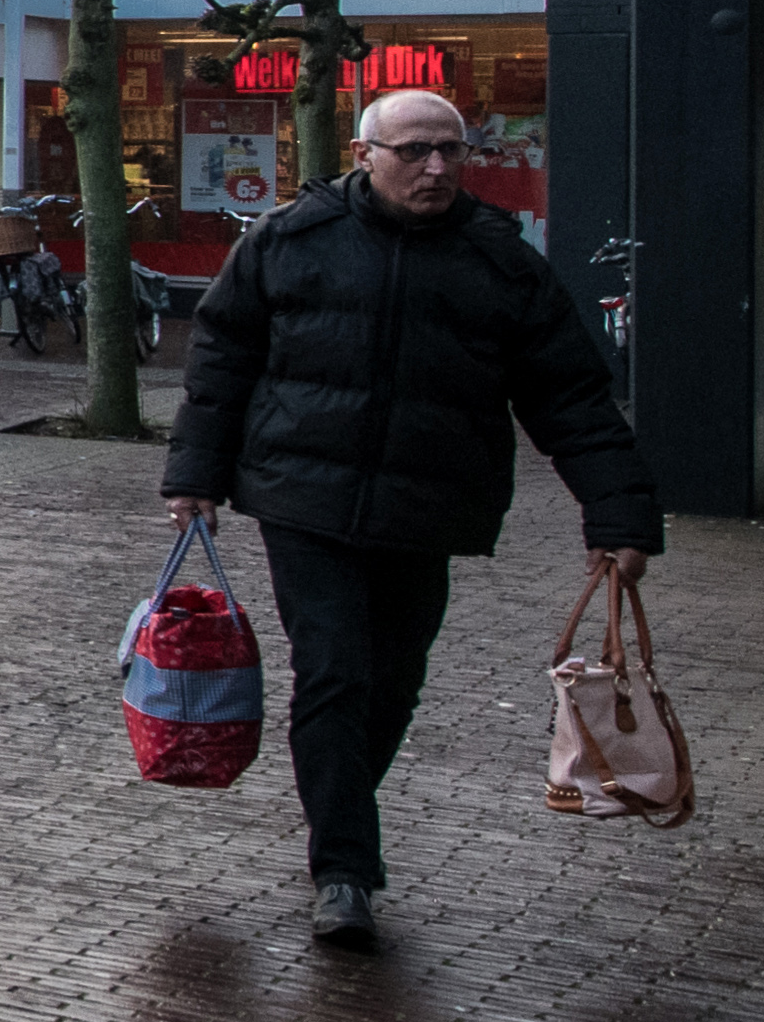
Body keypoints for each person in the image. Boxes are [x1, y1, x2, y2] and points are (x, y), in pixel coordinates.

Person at [160, 86, 656, 947]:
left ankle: (340, 809)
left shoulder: (502, 264)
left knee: (393, 682)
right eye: (414, 150)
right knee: (335, 671)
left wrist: (618, 516)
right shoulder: (289, 240)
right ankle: (344, 868)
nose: (435, 167)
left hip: (428, 507)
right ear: (364, 155)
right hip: (302, 499)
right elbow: (222, 359)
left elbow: (571, 396)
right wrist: (194, 473)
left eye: (450, 151)